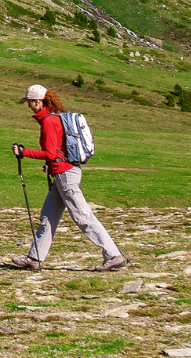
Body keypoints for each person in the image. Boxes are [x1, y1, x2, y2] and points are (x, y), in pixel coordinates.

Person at [10, 84, 128, 271]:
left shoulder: (49, 121)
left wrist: (24, 152)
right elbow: (57, 152)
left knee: (82, 215)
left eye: (30, 102)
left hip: (65, 176)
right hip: (63, 173)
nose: (29, 106)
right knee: (48, 217)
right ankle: (34, 258)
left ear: (38, 102)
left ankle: (113, 254)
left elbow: (50, 153)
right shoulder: (55, 119)